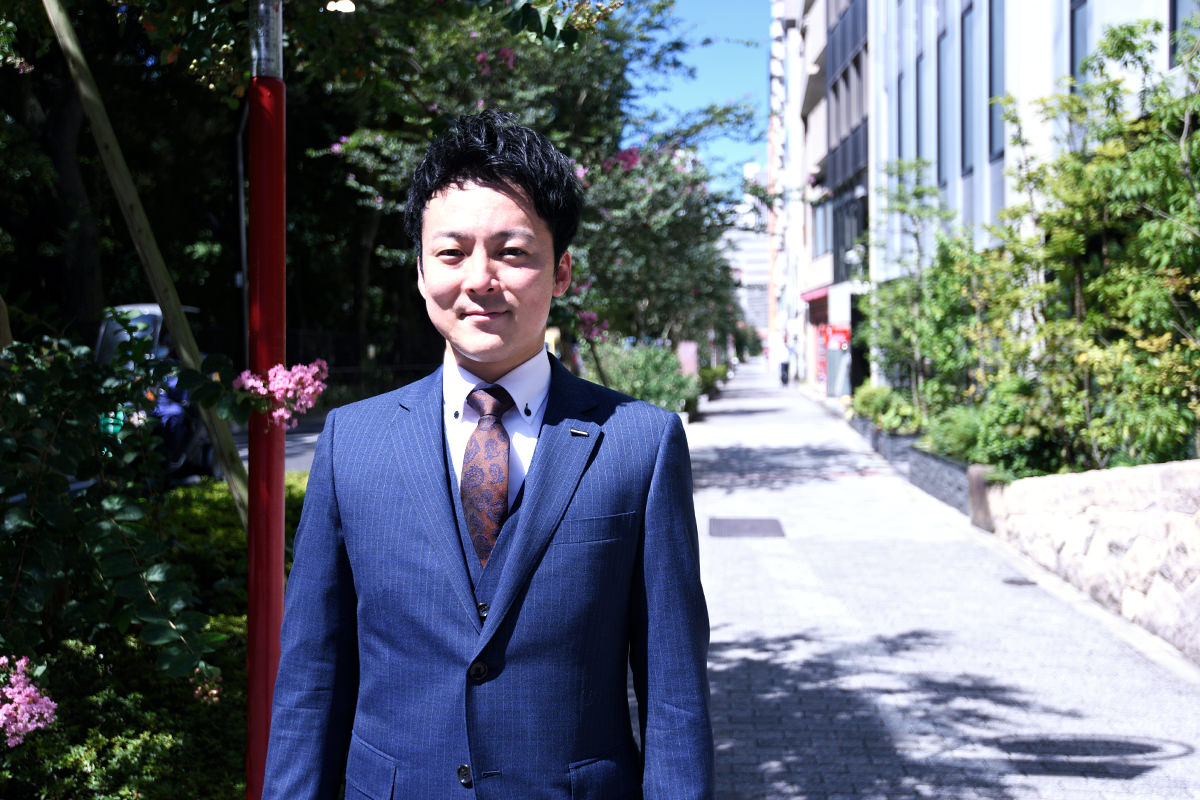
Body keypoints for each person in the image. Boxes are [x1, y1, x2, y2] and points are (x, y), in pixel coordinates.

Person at [262, 110, 714, 799]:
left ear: (561, 271)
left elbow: (674, 691)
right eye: (451, 253)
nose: (480, 279)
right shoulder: (352, 441)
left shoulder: (639, 444)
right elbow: (310, 680)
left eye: (513, 252)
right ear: (420, 272)